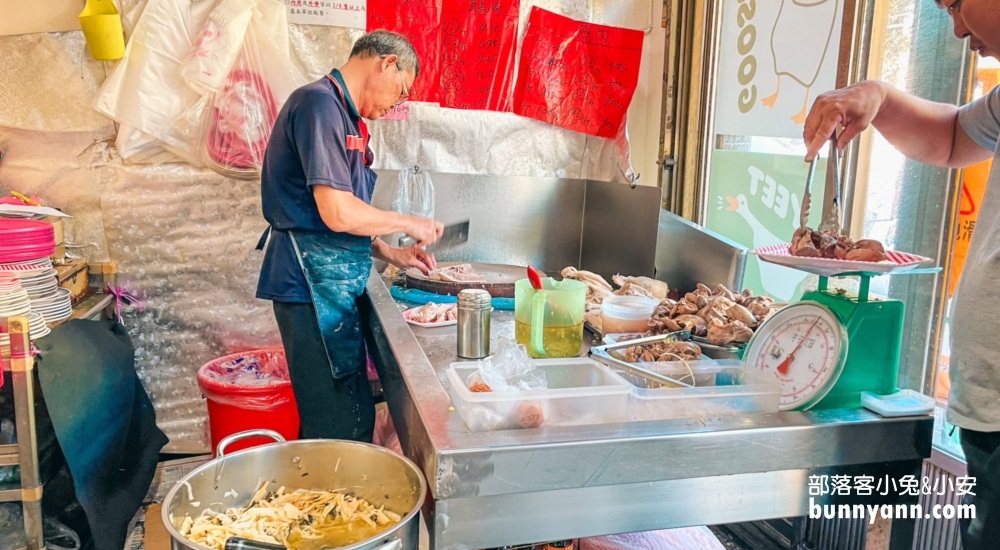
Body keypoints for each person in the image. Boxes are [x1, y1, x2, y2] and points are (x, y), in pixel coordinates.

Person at [803, 2, 1000, 548]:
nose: (957, 28)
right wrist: (879, 98)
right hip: (986, 410)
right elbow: (955, 138)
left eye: (957, 3)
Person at [255, 30, 443, 443]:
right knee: (335, 422)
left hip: (330, 281)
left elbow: (338, 216)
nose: (395, 105)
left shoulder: (345, 116)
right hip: (309, 285)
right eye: (401, 91)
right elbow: (336, 211)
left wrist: (390, 253)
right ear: (387, 63)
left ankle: (329, 497)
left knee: (344, 412)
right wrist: (405, 220)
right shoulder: (318, 104)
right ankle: (326, 503)